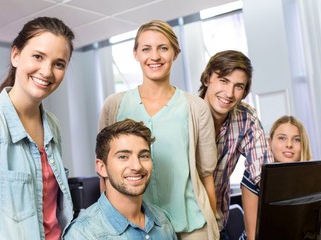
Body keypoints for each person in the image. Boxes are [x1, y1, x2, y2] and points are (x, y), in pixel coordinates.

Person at [99, 20, 219, 239]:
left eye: (163, 48)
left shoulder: (195, 108)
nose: (155, 56)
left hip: (190, 228)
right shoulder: (114, 105)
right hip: (134, 228)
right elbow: (105, 173)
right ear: (136, 54)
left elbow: (206, 176)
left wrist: (214, 227)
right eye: (146, 49)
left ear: (175, 53)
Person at [0, 17, 75, 240]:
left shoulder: (52, 125)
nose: (47, 71)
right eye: (38, 57)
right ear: (15, 55)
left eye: (59, 64)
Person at [198, 50, 274, 240]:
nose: (229, 93)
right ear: (207, 79)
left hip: (217, 224)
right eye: (223, 81)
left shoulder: (245, 116)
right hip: (182, 226)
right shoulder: (184, 113)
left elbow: (262, 174)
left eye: (238, 86)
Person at [63, 119, 177, 239]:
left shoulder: (163, 220)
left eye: (144, 156)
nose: (137, 166)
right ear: (102, 168)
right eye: (123, 157)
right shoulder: (83, 234)